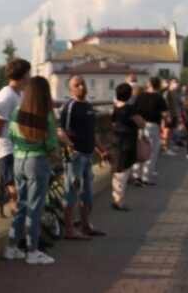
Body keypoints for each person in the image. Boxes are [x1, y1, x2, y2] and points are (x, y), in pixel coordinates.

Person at [2, 76, 60, 265]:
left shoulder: (17, 112)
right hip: (37, 162)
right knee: (35, 208)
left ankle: (11, 248)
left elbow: (11, 135)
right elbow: (51, 146)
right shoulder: (47, 116)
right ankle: (33, 251)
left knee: (21, 205)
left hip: (19, 161)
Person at [57, 75, 110, 240]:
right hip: (76, 155)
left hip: (88, 155)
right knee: (71, 191)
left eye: (83, 84)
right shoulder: (69, 106)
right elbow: (61, 130)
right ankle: (69, 228)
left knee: (87, 193)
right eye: (77, 85)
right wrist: (68, 145)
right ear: (70, 89)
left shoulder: (88, 106)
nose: (81, 87)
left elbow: (92, 133)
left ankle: (86, 225)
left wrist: (101, 151)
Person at [0, 58, 31, 216]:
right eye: (28, 73)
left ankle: (22, 231)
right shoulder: (6, 95)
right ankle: (19, 232)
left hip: (17, 148)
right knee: (16, 192)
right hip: (6, 149)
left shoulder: (19, 94)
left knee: (20, 191)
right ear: (24, 74)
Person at [109, 82, 145, 211]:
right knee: (123, 171)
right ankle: (119, 200)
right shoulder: (130, 109)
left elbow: (113, 124)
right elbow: (141, 123)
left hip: (116, 140)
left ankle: (115, 197)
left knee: (117, 169)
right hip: (127, 141)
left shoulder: (114, 109)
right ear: (129, 95)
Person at [131, 76, 168, 186]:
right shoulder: (159, 98)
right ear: (158, 85)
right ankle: (146, 177)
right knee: (151, 152)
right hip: (153, 125)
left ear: (149, 84)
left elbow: (134, 110)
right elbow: (165, 114)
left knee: (139, 150)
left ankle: (136, 176)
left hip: (140, 125)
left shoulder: (140, 96)